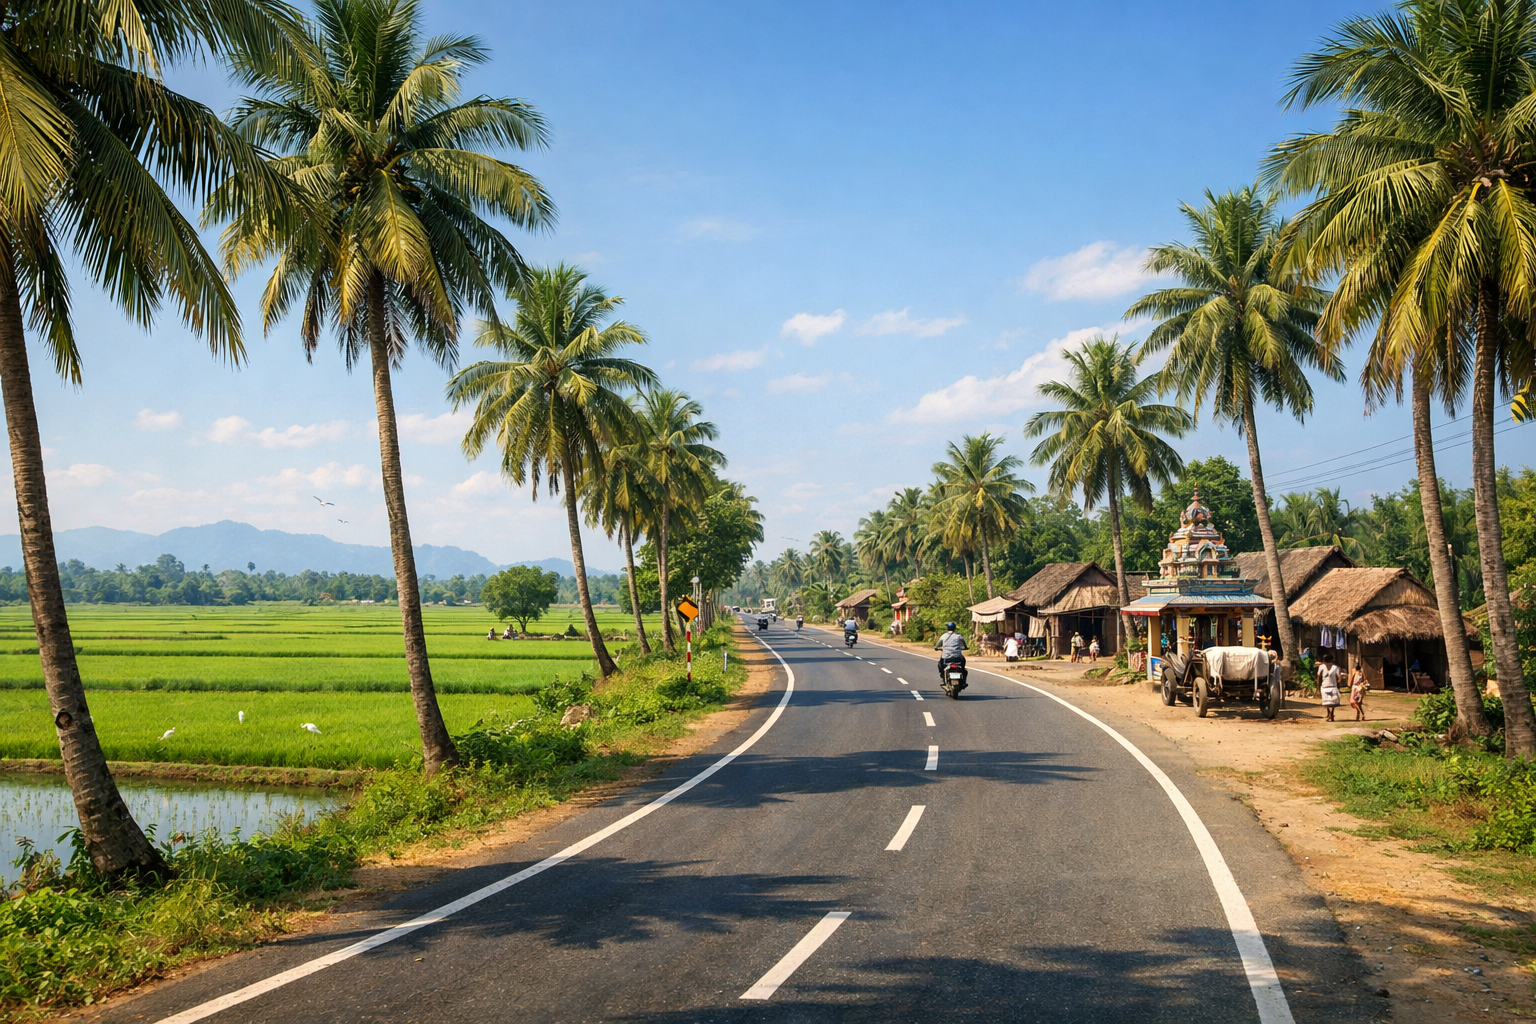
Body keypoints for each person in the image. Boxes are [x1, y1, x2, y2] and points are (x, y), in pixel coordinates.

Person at [1318, 651, 1341, 722]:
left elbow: (1318, 676)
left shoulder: (1322, 667)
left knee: (1327, 702)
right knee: (1332, 702)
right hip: (1331, 686)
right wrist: (1338, 684)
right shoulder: (1334, 667)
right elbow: (1339, 677)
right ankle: (1331, 713)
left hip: (1326, 686)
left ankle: (1330, 713)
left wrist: (1318, 684)